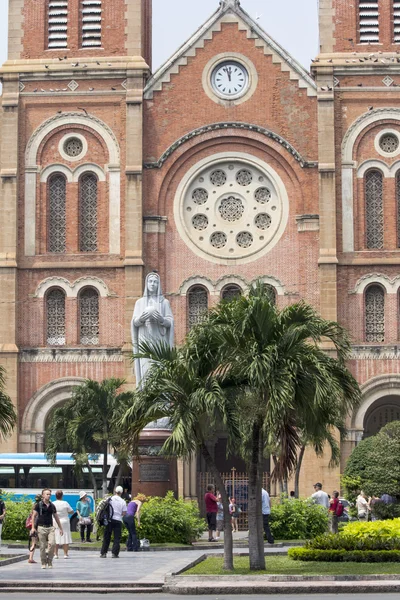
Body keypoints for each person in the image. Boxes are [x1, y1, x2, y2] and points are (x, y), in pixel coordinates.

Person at [131, 272, 174, 387]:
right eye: (150, 281)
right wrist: (141, 319)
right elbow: (134, 322)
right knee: (146, 367)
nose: (153, 284)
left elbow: (170, 322)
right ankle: (146, 393)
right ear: (146, 284)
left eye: (155, 282)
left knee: (159, 367)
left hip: (159, 340)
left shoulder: (164, 303)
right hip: (144, 339)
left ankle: (162, 401)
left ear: (158, 285)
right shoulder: (139, 303)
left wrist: (161, 319)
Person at [31, 488, 63, 569]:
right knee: (42, 546)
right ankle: (43, 562)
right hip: (41, 528)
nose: (48, 495)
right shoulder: (38, 505)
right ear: (43, 495)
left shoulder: (52, 505)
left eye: (49, 494)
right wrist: (33, 528)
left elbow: (56, 516)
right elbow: (33, 516)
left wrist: (60, 528)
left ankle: (50, 560)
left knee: (52, 544)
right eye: (47, 494)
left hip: (50, 527)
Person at [100, 486, 127, 558]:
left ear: (115, 491)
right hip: (118, 520)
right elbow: (124, 513)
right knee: (117, 538)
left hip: (109, 520)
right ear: (121, 492)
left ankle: (103, 553)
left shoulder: (110, 499)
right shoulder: (123, 501)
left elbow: (105, 507)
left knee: (107, 537)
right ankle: (114, 553)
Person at [53, 490, 73, 559]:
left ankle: (55, 554)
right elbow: (71, 511)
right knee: (65, 537)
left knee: (56, 537)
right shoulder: (65, 503)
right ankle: (65, 554)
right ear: (62, 496)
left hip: (55, 521)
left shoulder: (53, 503)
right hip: (64, 521)